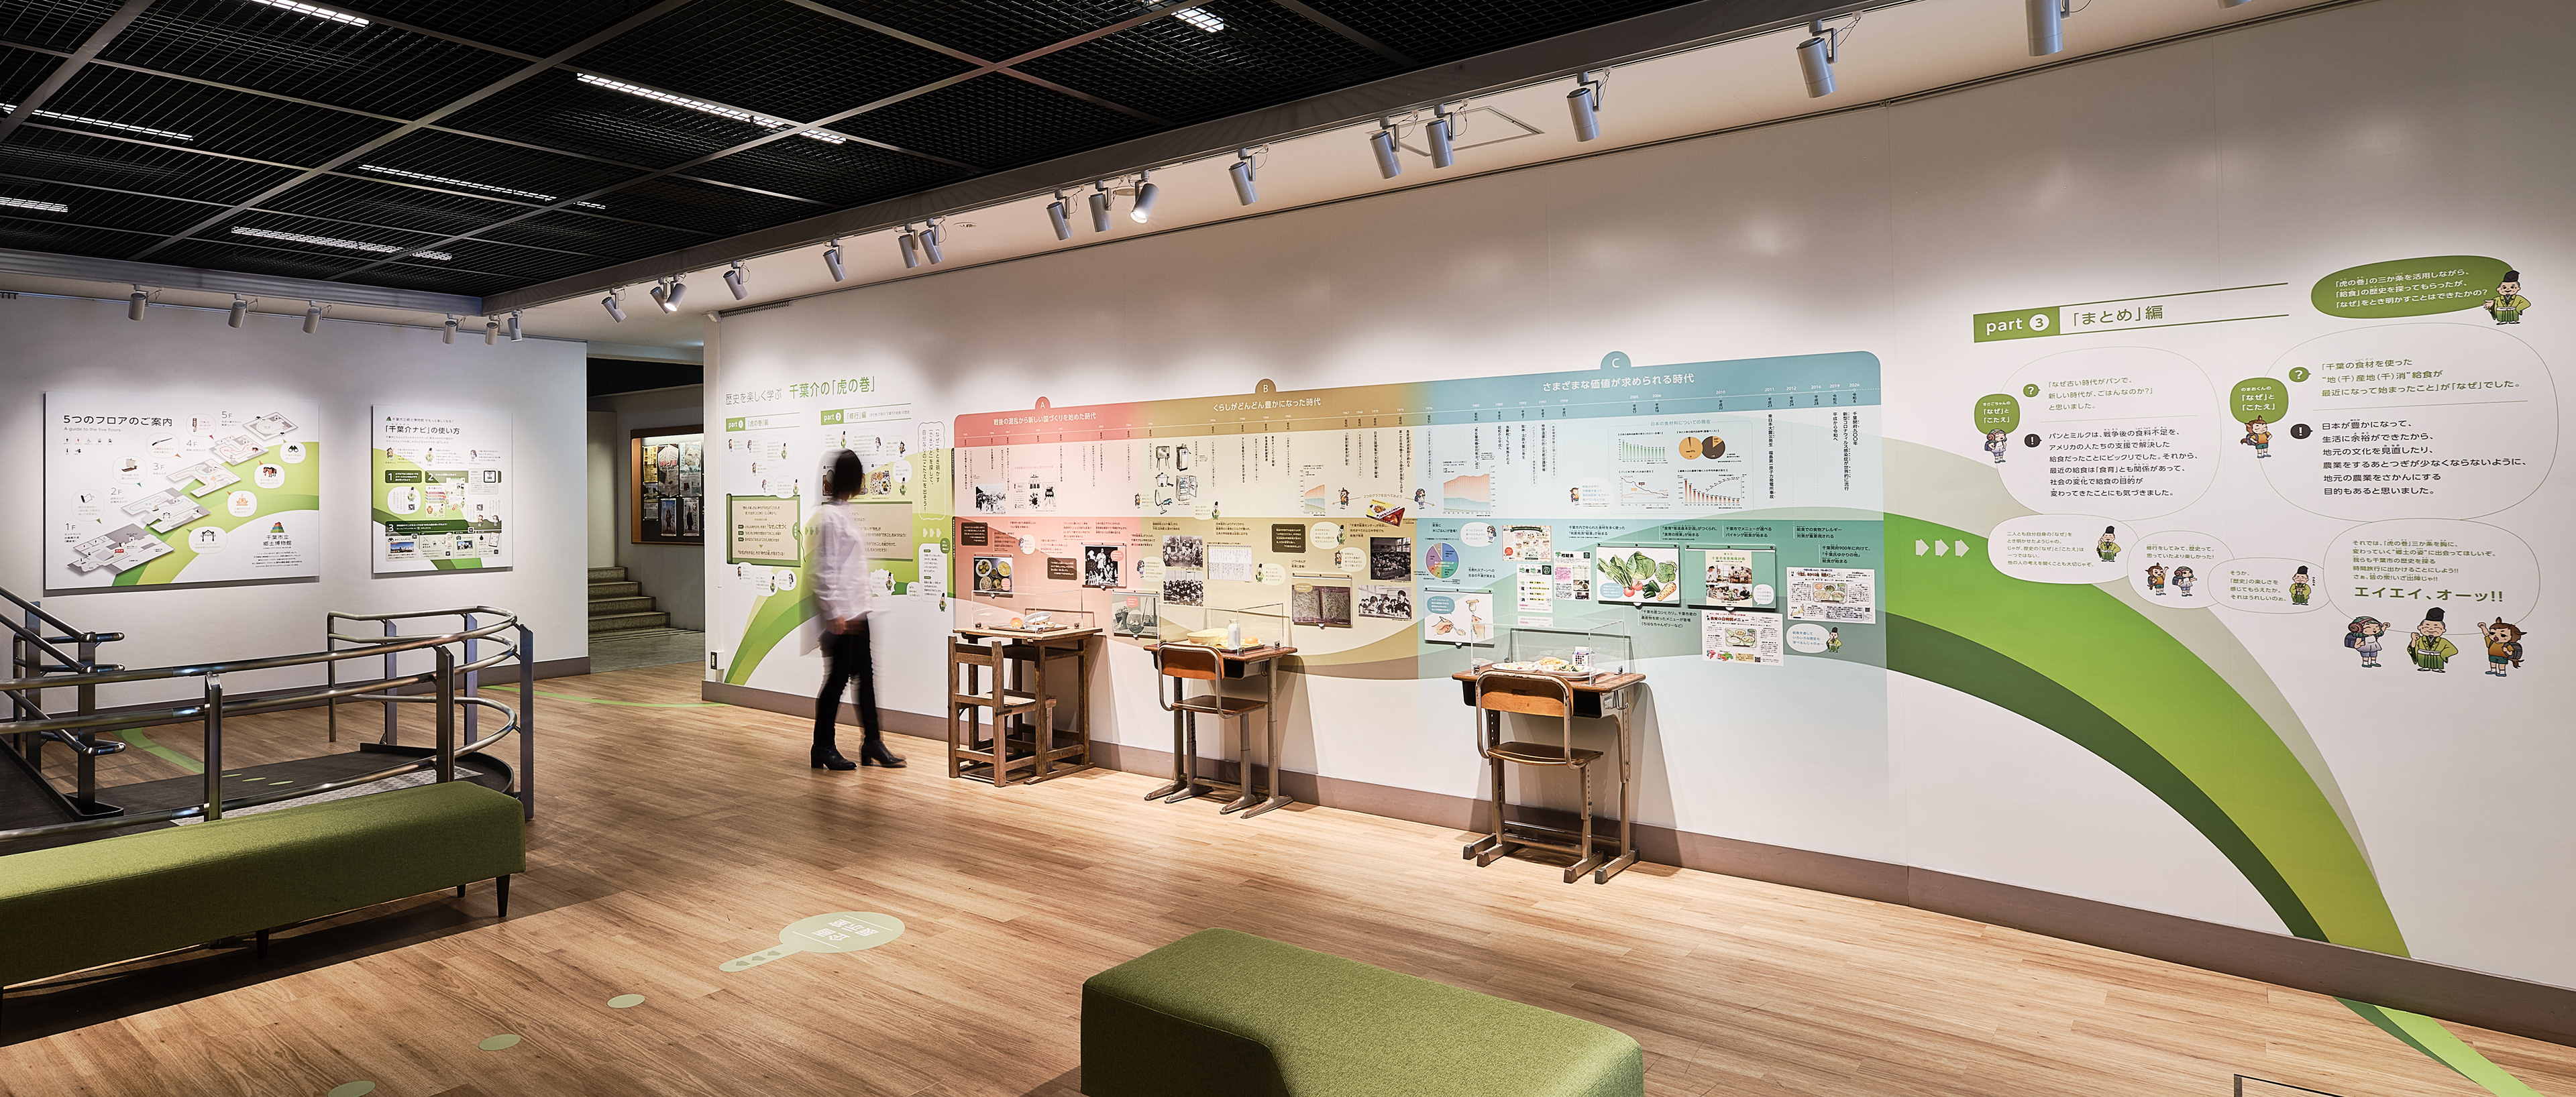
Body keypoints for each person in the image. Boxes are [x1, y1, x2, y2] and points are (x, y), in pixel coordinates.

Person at [811, 449, 904, 770]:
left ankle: (872, 742)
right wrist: (833, 611)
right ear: (853, 478)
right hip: (843, 615)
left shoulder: (844, 512)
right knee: (837, 681)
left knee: (864, 677)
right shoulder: (831, 517)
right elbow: (826, 569)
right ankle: (823, 746)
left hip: (857, 612)